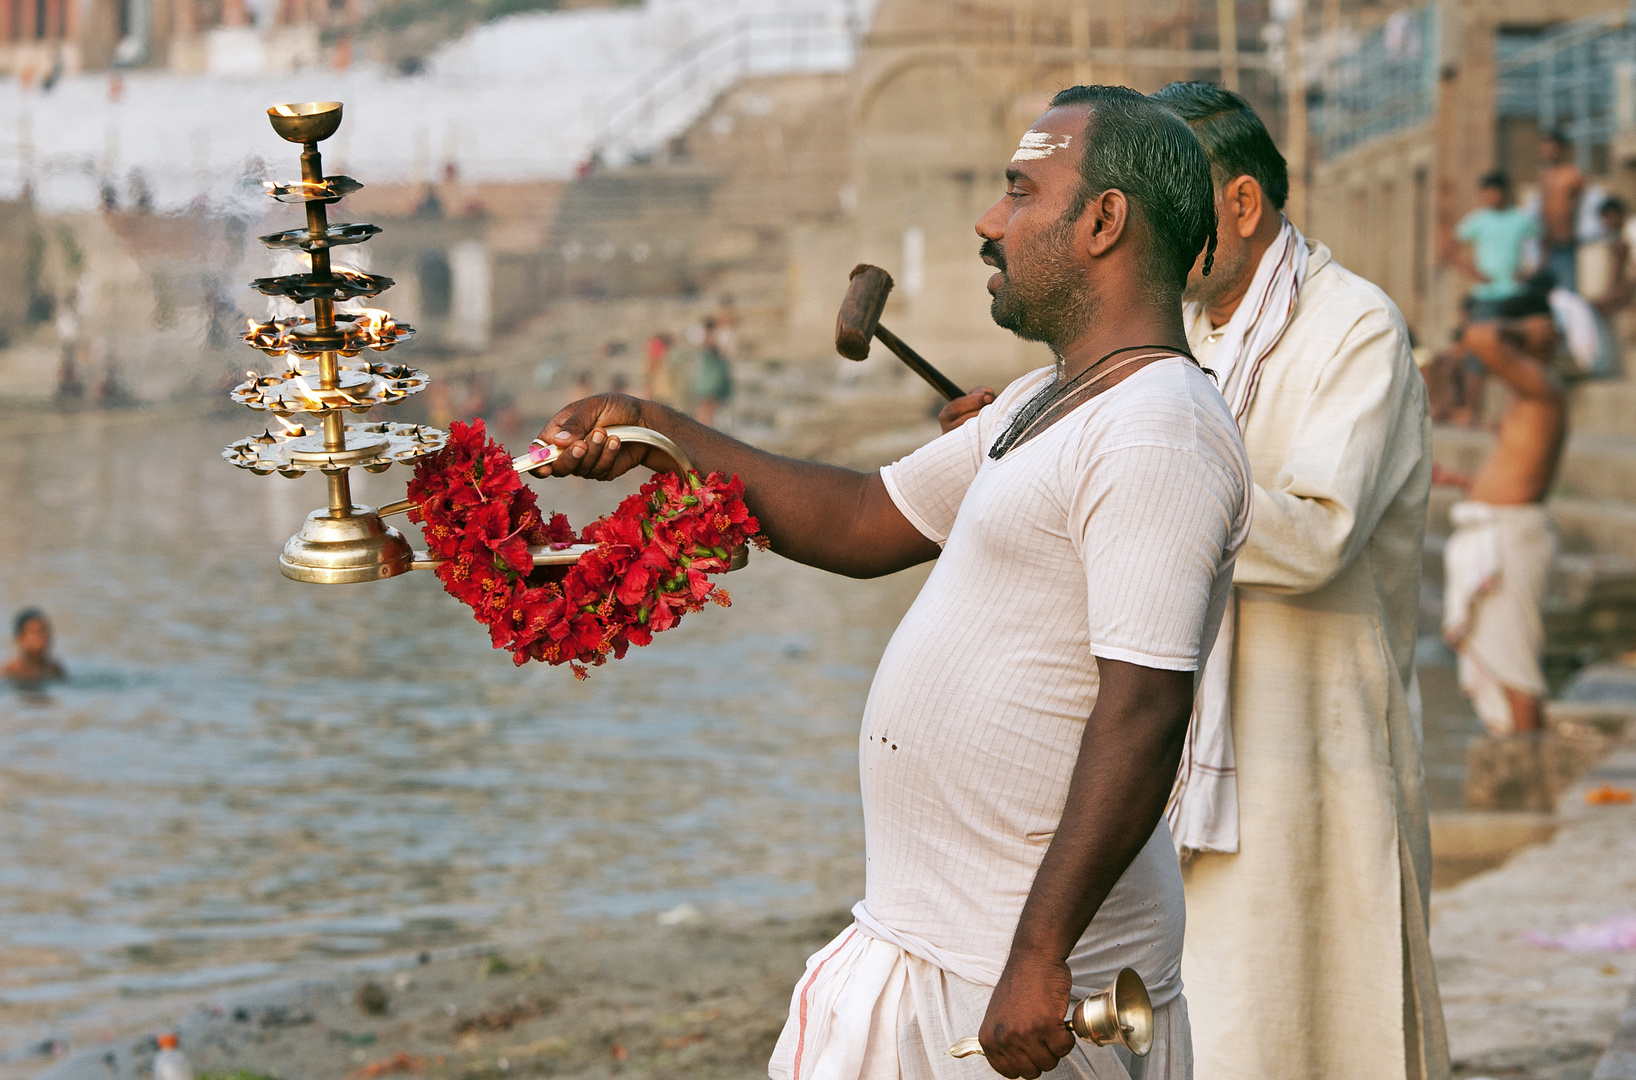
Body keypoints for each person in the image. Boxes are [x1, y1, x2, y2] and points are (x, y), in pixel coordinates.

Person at [535, 85, 1250, 1080]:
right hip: (933, 939)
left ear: (1102, 221)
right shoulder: (1052, 399)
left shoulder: (1158, 430)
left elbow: (1144, 708)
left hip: (1022, 963)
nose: (988, 222)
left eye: (1019, 192)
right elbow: (862, 518)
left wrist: (1036, 959)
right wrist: (657, 427)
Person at [1144, 82, 1445, 1080]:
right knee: (1216, 1029)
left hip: (1317, 760)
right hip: (1195, 761)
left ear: (1238, 205)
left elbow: (1317, 535)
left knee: (1316, 1025)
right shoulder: (1180, 336)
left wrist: (1138, 475)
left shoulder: (1354, 326)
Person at [1442, 293, 1567, 737]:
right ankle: (1514, 753)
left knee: (1515, 666)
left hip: (1512, 538)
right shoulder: (1531, 391)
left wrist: (1521, 331)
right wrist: (1461, 483)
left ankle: (1526, 775)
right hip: (1501, 531)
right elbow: (1519, 471)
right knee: (1500, 661)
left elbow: (1479, 337)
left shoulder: (1543, 388)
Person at [1445, 172, 1537, 315]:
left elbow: (1544, 241)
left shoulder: (1520, 218)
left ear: (1505, 192)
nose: (1490, 197)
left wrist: (1531, 270)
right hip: (1485, 294)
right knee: (1485, 335)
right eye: (1486, 193)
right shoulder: (1478, 220)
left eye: (1494, 193)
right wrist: (1473, 273)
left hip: (1514, 292)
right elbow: (1448, 249)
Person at [1536, 131, 1585, 293]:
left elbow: (1583, 208)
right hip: (1547, 245)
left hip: (1567, 243)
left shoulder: (1572, 175)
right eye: (1546, 149)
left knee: (1567, 293)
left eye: (1552, 149)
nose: (1548, 153)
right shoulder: (1545, 176)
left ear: (1563, 149)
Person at [5, 609, 66, 683]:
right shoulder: (10, 671)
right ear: (20, 638)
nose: (43, 638)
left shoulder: (54, 669)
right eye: (36, 632)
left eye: (45, 631)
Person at [692, 316, 732, 426]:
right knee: (705, 412)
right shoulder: (707, 341)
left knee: (709, 413)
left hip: (713, 382)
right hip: (709, 383)